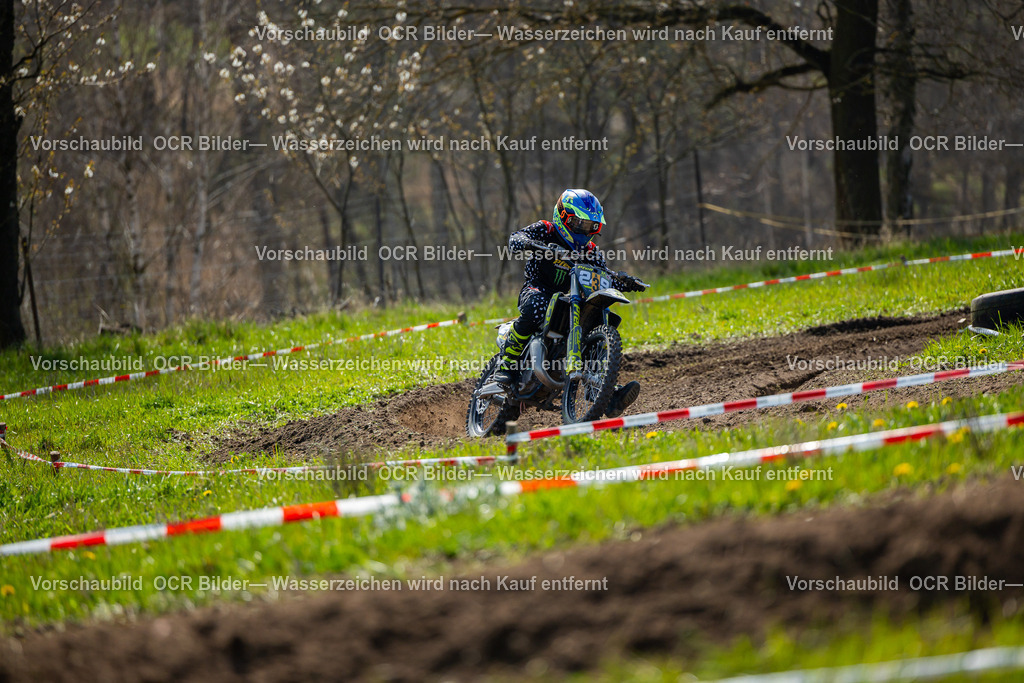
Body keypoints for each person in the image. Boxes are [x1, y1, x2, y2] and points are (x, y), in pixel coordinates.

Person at [492, 188, 645, 418]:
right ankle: (507, 366)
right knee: (535, 309)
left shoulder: (591, 252)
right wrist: (527, 243)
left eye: (590, 226)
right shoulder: (545, 230)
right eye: (579, 224)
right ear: (563, 217)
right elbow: (516, 237)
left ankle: (606, 393)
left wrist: (623, 280)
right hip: (538, 289)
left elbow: (602, 274)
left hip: (571, 301)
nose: (585, 231)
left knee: (598, 320)